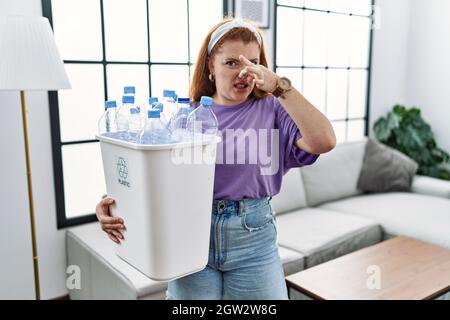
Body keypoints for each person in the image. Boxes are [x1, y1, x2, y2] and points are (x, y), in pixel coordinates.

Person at [95, 17, 336, 300]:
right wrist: (114, 204)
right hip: (189, 233)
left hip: (254, 239)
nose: (244, 73)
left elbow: (325, 140)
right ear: (211, 65)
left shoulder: (273, 108)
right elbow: (154, 174)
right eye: (231, 63)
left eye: (252, 63)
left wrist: (279, 87)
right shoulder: (186, 116)